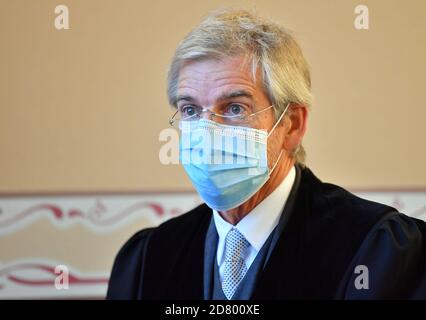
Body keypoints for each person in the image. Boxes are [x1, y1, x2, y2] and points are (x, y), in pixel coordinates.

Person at [107, 9, 426, 300]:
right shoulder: (151, 258)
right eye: (190, 109)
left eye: (234, 108)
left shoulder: (373, 248)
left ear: (292, 125)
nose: (207, 130)